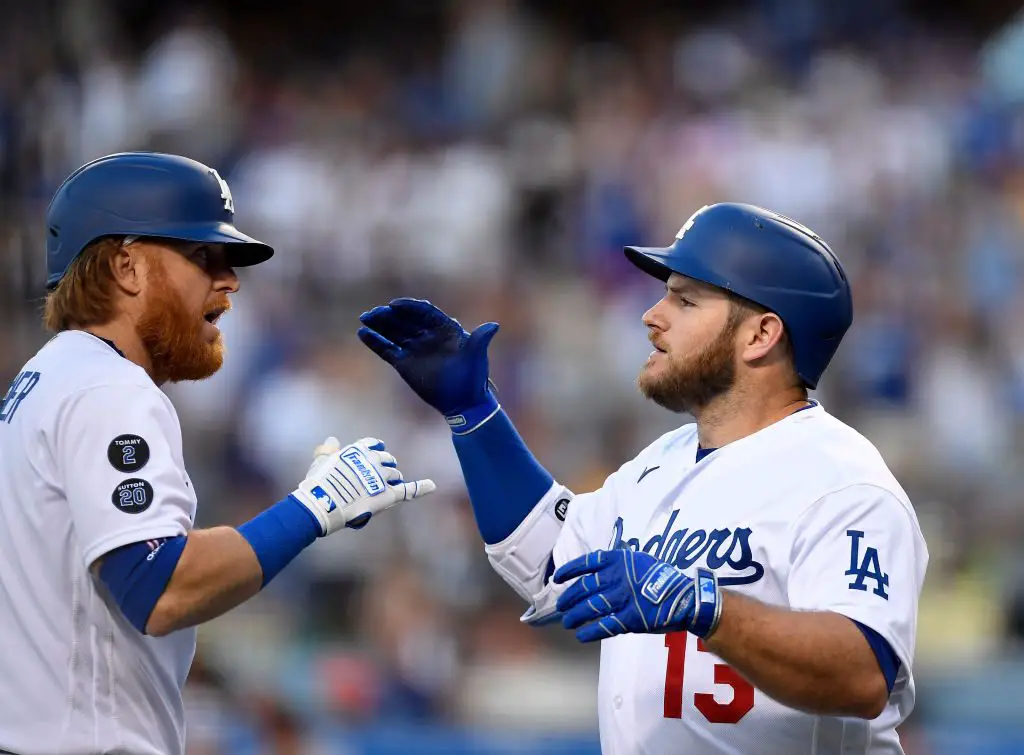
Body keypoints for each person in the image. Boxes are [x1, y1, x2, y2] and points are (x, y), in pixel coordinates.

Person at [358, 203, 929, 754]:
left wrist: (706, 606)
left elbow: (862, 674)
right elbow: (552, 563)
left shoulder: (843, 482)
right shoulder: (663, 462)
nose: (653, 316)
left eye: (685, 300)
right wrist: (475, 415)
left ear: (761, 335)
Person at [0, 152, 434, 755]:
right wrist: (314, 507)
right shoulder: (108, 389)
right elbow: (159, 586)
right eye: (203, 256)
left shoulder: (44, 380)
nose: (228, 280)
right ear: (127, 266)